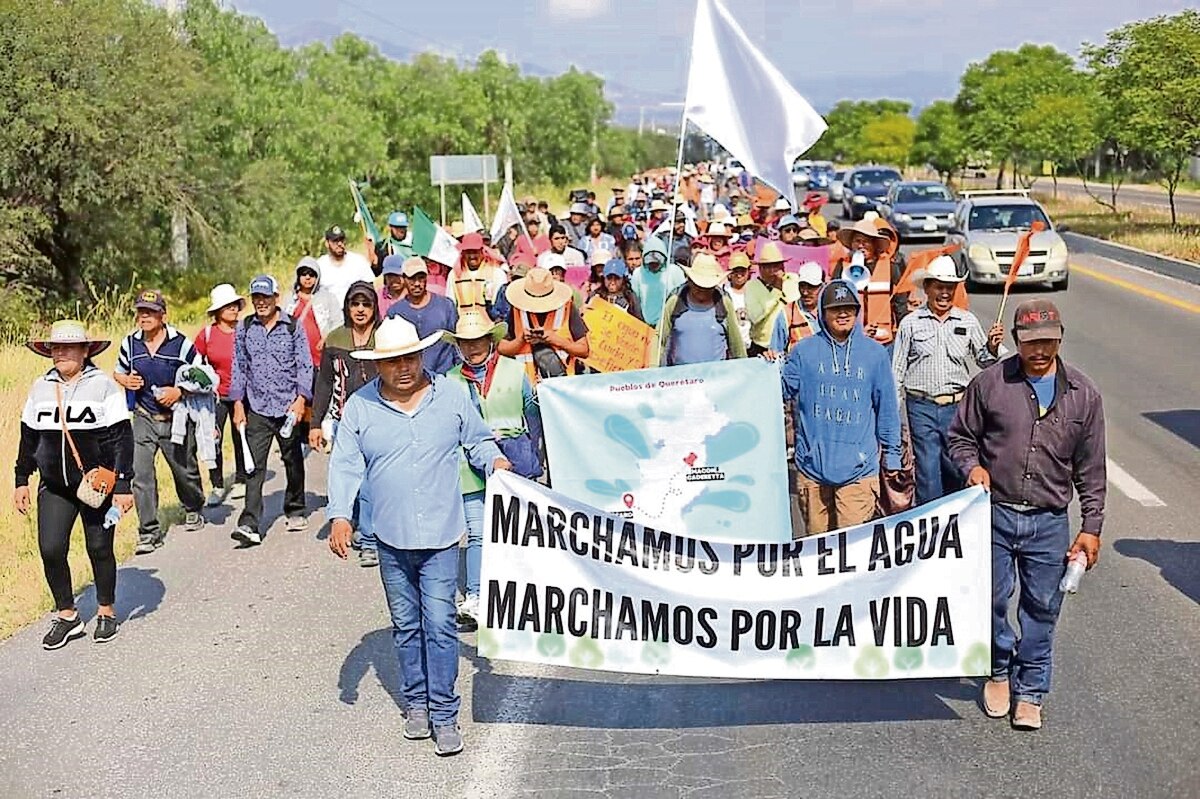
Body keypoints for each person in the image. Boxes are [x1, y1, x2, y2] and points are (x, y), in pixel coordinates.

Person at [327, 316, 511, 756]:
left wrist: (496, 462)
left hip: (443, 537)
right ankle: (416, 703)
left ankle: (445, 714)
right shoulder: (360, 407)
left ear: (422, 355)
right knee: (407, 626)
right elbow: (346, 463)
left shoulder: (451, 395)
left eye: (410, 357)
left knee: (441, 624)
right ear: (377, 365)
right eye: (393, 362)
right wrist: (339, 515)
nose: (404, 368)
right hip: (390, 539)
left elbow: (478, 441)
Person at [948, 299, 1105, 731]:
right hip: (994, 514)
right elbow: (960, 438)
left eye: (1048, 342)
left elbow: (1092, 469)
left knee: (1041, 606)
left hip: (1049, 520)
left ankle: (1031, 689)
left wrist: (1091, 528)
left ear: (1060, 338)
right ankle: (999, 670)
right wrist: (972, 467)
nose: (1039, 351)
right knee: (992, 600)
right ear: (1017, 340)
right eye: (1031, 342)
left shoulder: (1084, 395)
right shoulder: (990, 384)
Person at [16, 321, 134, 648]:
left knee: (98, 547)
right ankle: (68, 616)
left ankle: (106, 610)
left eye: (69, 347)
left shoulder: (104, 386)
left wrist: (123, 484)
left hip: (97, 485)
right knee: (51, 549)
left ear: (85, 351)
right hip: (54, 485)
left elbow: (123, 438)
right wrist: (21, 478)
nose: (62, 353)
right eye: (56, 348)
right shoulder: (40, 387)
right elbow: (29, 437)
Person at [781, 279, 903, 535]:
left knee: (852, 552)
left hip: (859, 472)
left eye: (849, 308)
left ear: (858, 312)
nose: (843, 313)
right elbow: (778, 391)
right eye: (835, 308)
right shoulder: (802, 352)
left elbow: (888, 410)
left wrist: (892, 457)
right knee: (818, 552)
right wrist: (767, 367)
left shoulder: (875, 354)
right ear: (822, 314)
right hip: (811, 469)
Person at [445, 312, 542, 626]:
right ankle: (475, 597)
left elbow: (534, 416)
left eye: (477, 341)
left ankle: (524, 595)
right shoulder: (449, 381)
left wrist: (535, 452)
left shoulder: (516, 371)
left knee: (518, 532)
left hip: (514, 466)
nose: (472, 348)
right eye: (466, 342)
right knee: (477, 533)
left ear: (490, 340)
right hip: (468, 468)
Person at [892, 256, 1004, 505]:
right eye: (939, 287)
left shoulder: (967, 320)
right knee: (928, 475)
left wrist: (992, 347)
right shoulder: (910, 324)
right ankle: (931, 534)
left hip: (957, 408)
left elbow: (984, 361)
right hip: (921, 407)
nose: (945, 293)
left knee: (958, 468)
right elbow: (897, 371)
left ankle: (957, 531)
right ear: (928, 288)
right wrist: (893, 416)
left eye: (950, 288)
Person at [113, 289, 206, 554]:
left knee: (183, 469)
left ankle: (193, 506)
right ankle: (148, 532)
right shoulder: (130, 344)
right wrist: (126, 381)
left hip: (176, 417)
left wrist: (179, 392)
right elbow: (118, 372)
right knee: (140, 473)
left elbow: (202, 377)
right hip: (142, 416)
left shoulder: (181, 344)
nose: (145, 316)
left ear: (162, 315)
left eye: (150, 312)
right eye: (141, 312)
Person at [229, 275, 313, 547]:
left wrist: (302, 399)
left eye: (265, 297)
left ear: (276, 298)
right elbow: (239, 367)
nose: (261, 302)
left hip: (288, 406)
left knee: (293, 460)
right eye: (256, 298)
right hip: (258, 408)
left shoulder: (292, 326)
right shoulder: (244, 328)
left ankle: (295, 507)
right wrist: (238, 404)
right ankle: (249, 522)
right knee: (254, 465)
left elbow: (305, 364)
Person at [311, 281, 382, 567]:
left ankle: (369, 540)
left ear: (375, 307)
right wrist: (316, 423)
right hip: (344, 420)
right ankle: (354, 523)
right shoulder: (335, 339)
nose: (361, 309)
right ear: (347, 307)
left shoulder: (384, 336)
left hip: (380, 417)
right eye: (355, 304)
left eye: (366, 304)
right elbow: (325, 383)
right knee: (347, 478)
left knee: (369, 483)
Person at [195, 284, 249, 506]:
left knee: (241, 435)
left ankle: (241, 479)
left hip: (242, 393)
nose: (233, 309)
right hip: (215, 396)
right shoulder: (207, 334)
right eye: (228, 306)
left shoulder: (246, 330)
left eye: (235, 305)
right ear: (217, 311)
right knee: (213, 438)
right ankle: (216, 484)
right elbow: (194, 363)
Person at [499, 266, 590, 384]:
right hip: (527, 386)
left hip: (561, 384)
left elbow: (584, 350)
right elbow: (501, 348)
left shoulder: (567, 308)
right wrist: (521, 340)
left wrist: (556, 340)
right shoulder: (517, 310)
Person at [658, 253, 745, 366]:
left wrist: (744, 369)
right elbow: (659, 341)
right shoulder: (675, 302)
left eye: (707, 287)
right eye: (698, 286)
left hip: (716, 377)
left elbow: (736, 344)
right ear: (689, 280)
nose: (702, 290)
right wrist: (653, 369)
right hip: (680, 377)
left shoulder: (724, 302)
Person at [387, 257, 460, 376]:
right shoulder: (395, 312)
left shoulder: (446, 306)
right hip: (412, 378)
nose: (417, 284)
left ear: (427, 277)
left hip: (446, 374)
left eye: (420, 278)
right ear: (404, 279)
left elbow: (456, 342)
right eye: (412, 278)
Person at [284, 256, 340, 368]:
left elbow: (338, 322)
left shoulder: (328, 297)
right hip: (296, 358)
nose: (308, 277)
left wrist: (327, 338)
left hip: (321, 357)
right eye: (304, 274)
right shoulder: (289, 300)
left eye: (312, 274)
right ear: (298, 276)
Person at [446, 232, 505, 321]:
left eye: (475, 252)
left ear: (482, 251)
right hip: (463, 327)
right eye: (468, 252)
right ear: (463, 253)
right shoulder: (454, 274)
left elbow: (501, 307)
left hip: (489, 327)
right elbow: (450, 305)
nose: (472, 256)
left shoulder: (496, 273)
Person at [630, 235, 686, 329]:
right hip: (646, 325)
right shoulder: (638, 274)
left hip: (670, 324)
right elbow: (636, 301)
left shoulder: (674, 271)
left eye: (657, 263)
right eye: (651, 263)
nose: (654, 265)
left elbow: (682, 297)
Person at [743, 242, 788, 356]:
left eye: (776, 265)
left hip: (786, 344)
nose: (772, 270)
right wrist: (777, 292)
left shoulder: (791, 282)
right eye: (768, 266)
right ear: (761, 268)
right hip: (761, 346)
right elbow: (755, 316)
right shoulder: (751, 286)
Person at [317, 226, 375, 307]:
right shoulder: (320, 265)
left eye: (341, 240)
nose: (340, 244)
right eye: (335, 241)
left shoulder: (358, 261)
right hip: (329, 313)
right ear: (327, 243)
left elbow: (370, 288)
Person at [725, 251, 753, 349]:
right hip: (729, 346)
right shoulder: (724, 291)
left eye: (742, 270)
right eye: (736, 271)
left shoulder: (754, 290)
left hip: (750, 344)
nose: (739, 274)